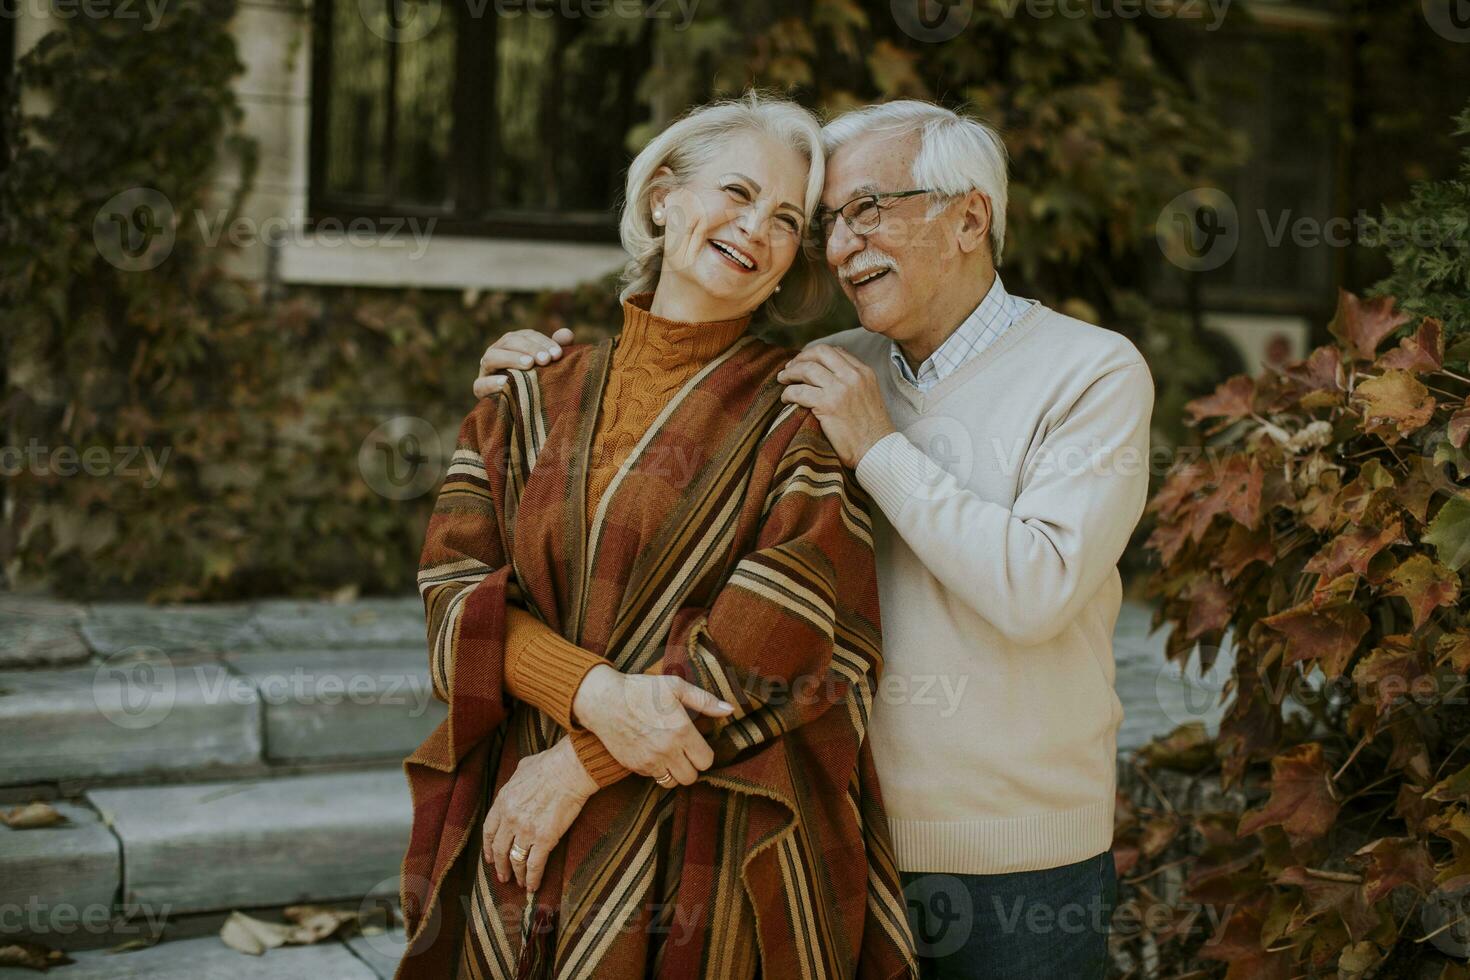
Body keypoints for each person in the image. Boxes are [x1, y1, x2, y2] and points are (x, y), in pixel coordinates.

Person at [475, 100, 1155, 979]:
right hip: (832, 836)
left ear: (969, 216)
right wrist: (522, 394)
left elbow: (1039, 588)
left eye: (868, 209)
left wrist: (879, 447)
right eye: (829, 222)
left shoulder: (1091, 370)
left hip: (1016, 866)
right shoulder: (834, 367)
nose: (839, 247)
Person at [397, 92, 918, 980]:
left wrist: (582, 765)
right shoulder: (533, 391)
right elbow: (454, 591)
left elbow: (785, 636)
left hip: (708, 831)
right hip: (523, 821)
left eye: (786, 219)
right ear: (664, 197)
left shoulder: (793, 417)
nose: (756, 228)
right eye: (737, 192)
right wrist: (593, 696)